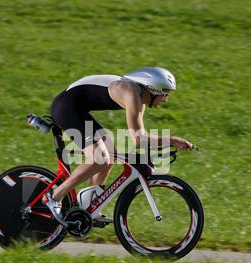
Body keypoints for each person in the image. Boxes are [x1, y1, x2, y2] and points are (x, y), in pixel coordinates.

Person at [42, 67, 194, 222]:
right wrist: (172, 140)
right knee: (100, 158)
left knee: (110, 156)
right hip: (67, 107)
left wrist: (163, 144)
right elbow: (139, 138)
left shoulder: (138, 96)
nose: (166, 98)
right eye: (165, 92)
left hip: (77, 109)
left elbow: (141, 137)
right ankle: (54, 196)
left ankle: (89, 208)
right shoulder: (130, 93)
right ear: (153, 88)